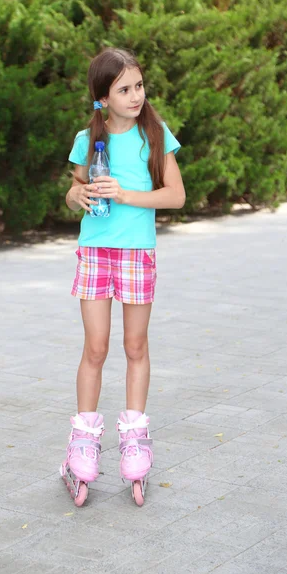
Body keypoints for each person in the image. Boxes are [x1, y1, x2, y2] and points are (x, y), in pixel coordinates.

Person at [60, 47, 185, 506]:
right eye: (125, 89)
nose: (136, 96)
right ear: (102, 97)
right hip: (95, 251)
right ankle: (83, 443)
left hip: (137, 252)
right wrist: (79, 196)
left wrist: (126, 194)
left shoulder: (155, 133)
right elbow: (75, 188)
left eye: (139, 86)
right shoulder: (86, 138)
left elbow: (175, 196)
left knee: (135, 346)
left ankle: (134, 440)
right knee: (96, 347)